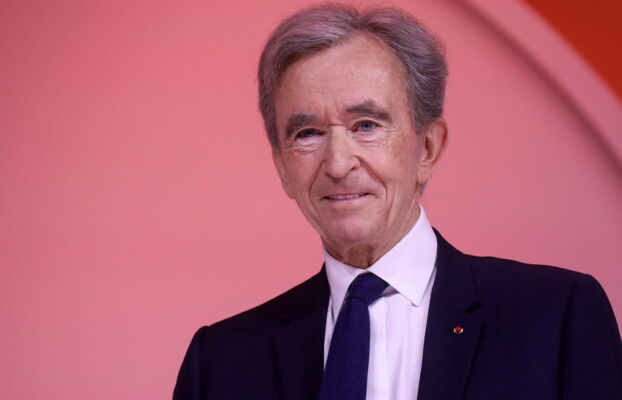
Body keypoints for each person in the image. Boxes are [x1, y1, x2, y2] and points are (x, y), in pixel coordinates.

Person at [173, 3, 622, 399]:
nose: (338, 164)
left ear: (427, 148)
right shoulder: (221, 362)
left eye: (366, 125)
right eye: (308, 133)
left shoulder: (556, 318)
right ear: (282, 167)